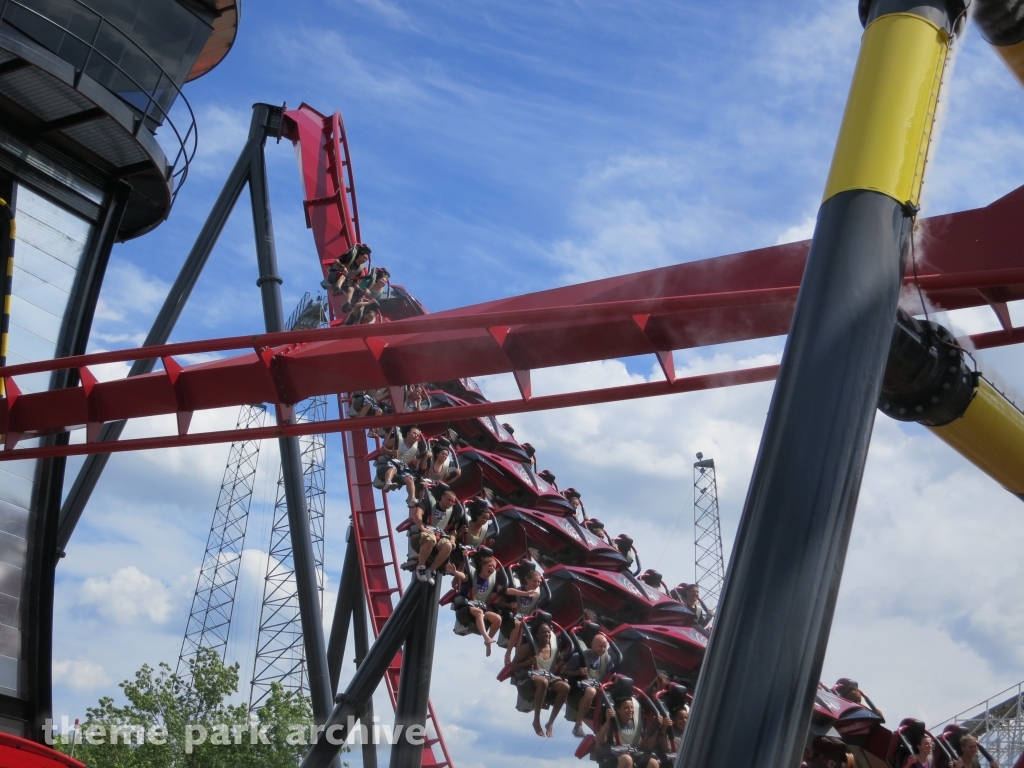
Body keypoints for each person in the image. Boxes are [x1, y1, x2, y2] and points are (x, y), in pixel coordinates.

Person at [508, 620, 570, 738]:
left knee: (565, 687)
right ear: (536, 635)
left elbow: (554, 666)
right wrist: (528, 662)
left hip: (548, 675)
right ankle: (536, 720)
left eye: (548, 632)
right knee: (543, 682)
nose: (547, 634)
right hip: (531, 675)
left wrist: (561, 667)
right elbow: (513, 666)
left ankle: (550, 722)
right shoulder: (528, 647)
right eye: (543, 633)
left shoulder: (554, 648)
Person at [407, 483, 464, 585]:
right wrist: (422, 527)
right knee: (431, 538)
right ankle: (421, 567)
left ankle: (430, 570)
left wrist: (452, 540)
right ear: (442, 497)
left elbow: (453, 531)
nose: (450, 503)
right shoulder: (430, 503)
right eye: (448, 500)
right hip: (423, 534)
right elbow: (417, 514)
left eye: (452, 501)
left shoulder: (450, 512)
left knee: (448, 546)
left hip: (439, 536)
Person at [450, 553, 503, 656]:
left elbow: (505, 591)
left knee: (498, 619)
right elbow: (464, 577)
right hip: (465, 608)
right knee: (479, 612)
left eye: (494, 567)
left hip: (481, 609)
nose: (492, 568)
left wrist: (525, 593)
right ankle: (486, 637)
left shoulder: (492, 582)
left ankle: (488, 642)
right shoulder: (473, 575)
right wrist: (455, 572)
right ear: (483, 566)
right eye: (490, 566)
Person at [562, 631, 613, 737]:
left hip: (599, 690)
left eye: (604, 647)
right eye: (600, 646)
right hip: (578, 692)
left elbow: (613, 676)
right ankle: (578, 725)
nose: (603, 649)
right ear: (592, 644)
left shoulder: (606, 659)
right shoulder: (579, 656)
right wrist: (577, 673)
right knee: (591, 690)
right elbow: (563, 673)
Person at [594, 691, 662, 768]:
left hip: (634, 754)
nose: (630, 710)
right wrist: (607, 722)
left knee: (653, 763)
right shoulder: (612, 723)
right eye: (626, 708)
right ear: (618, 710)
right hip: (614, 756)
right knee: (627, 759)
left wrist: (656, 727)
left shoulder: (638, 723)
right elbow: (599, 742)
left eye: (632, 707)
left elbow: (648, 746)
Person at [499, 563, 545, 664]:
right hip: (511, 620)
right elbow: (504, 596)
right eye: (534, 581)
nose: (537, 584)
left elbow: (534, 610)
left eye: (538, 582)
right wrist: (511, 605)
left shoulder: (537, 595)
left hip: (525, 620)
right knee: (519, 625)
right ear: (527, 580)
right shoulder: (518, 588)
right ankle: (508, 654)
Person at [373, 426, 428, 506]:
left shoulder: (415, 450)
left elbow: (412, 463)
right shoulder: (397, 440)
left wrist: (415, 462)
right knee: (394, 466)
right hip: (386, 465)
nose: (416, 436)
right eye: (414, 433)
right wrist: (391, 452)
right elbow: (382, 449)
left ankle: (412, 499)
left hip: (400, 470)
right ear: (408, 434)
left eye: (417, 435)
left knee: (410, 477)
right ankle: (388, 482)